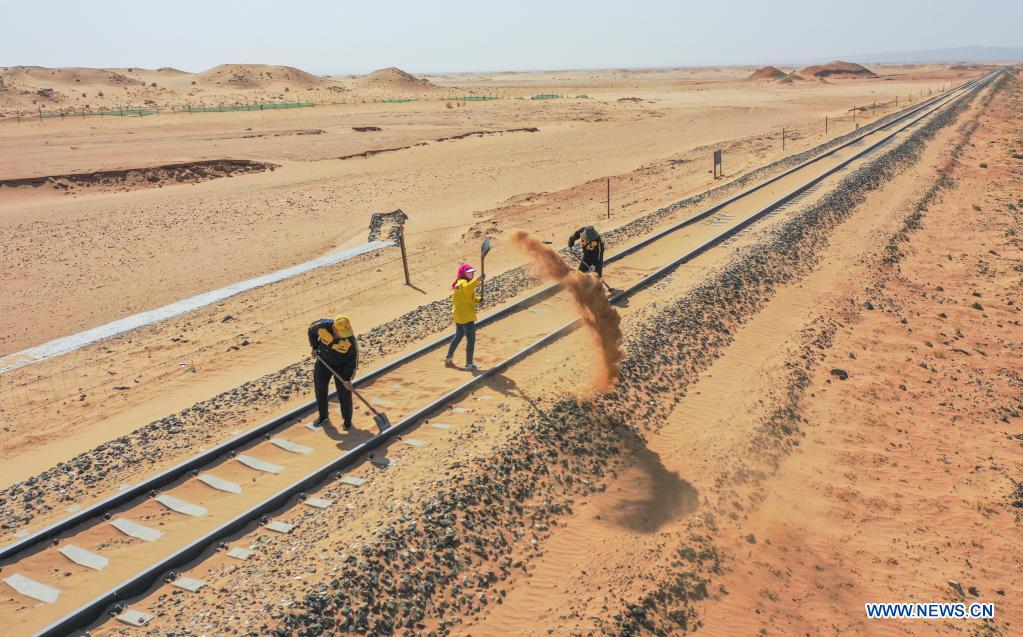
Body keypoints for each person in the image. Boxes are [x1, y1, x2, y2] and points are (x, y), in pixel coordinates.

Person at [307, 315, 358, 429]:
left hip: (341, 367)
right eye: (341, 332)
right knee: (320, 389)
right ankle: (323, 416)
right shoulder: (321, 326)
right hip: (323, 362)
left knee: (344, 393)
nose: (344, 335)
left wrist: (347, 378)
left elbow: (353, 360)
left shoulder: (350, 339)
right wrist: (315, 347)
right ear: (334, 328)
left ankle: (347, 420)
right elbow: (311, 331)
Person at [445, 263, 484, 371]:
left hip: (458, 315)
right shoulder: (463, 283)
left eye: (472, 272)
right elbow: (469, 287)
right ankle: (469, 364)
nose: (471, 274)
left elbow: (467, 297)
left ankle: (449, 357)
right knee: (471, 340)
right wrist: (478, 280)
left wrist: (477, 299)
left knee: (458, 335)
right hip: (466, 317)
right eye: (469, 272)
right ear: (463, 273)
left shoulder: (459, 283)